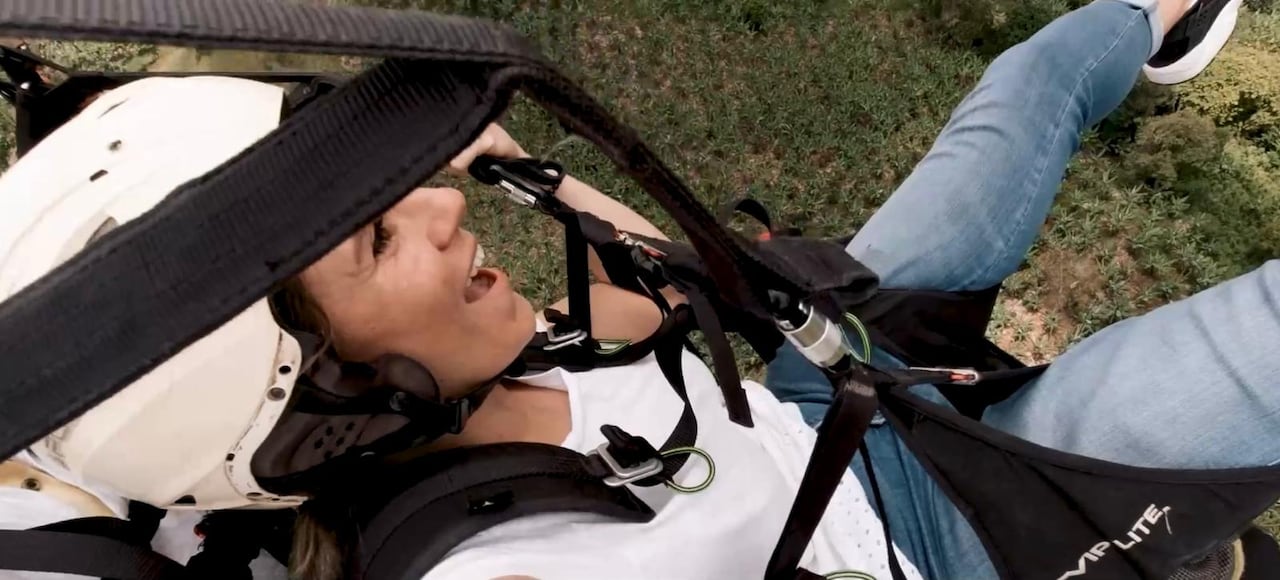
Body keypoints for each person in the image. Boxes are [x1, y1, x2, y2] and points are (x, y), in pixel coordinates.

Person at [0, 1, 1270, 579]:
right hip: (941, 534)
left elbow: (671, 297)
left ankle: (1149, 9)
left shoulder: (493, 363)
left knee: (1024, 90)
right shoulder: (503, 566)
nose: (441, 208)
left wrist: (528, 180)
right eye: (377, 236)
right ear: (334, 397)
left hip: (811, 377)